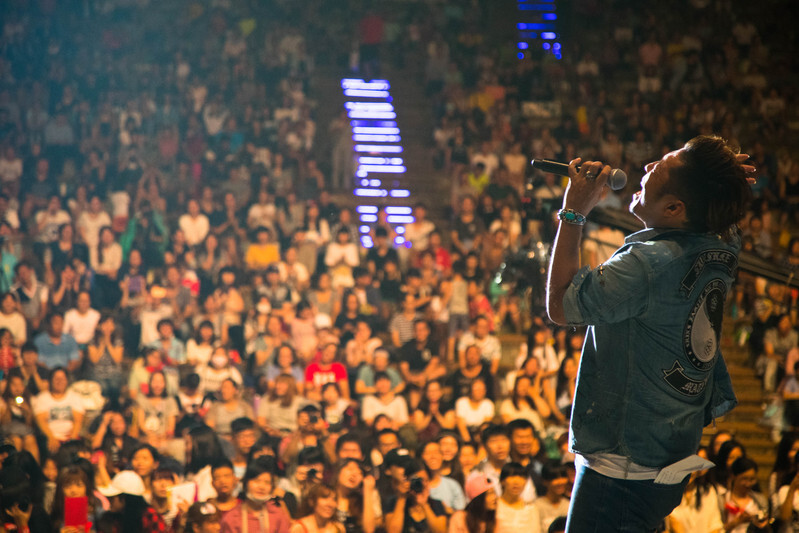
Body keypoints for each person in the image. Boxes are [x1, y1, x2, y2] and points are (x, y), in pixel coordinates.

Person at [545, 136, 754, 531]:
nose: (645, 168)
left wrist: (573, 211)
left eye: (658, 167)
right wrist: (722, 178)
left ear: (675, 208)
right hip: (668, 456)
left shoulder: (645, 264)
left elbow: (560, 305)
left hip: (620, 471)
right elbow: (722, 215)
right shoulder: (722, 247)